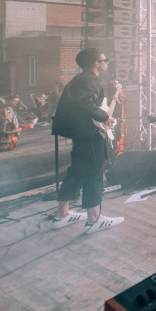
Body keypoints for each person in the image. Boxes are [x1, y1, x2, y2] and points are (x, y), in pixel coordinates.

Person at [51, 48, 123, 233]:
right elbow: (86, 104)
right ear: (96, 64)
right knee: (94, 173)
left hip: (81, 134)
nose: (107, 62)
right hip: (90, 135)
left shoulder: (80, 80)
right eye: (105, 60)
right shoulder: (89, 80)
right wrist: (105, 117)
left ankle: (61, 214)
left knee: (76, 172)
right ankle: (94, 219)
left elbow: (85, 103)